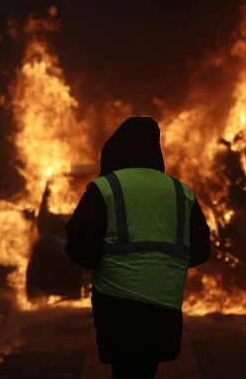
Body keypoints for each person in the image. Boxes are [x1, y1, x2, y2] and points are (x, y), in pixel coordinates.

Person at [65, 116, 211, 379]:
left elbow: (78, 245)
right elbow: (201, 250)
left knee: (125, 371)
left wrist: (107, 265)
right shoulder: (181, 191)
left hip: (117, 303)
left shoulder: (105, 188)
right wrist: (163, 265)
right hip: (165, 304)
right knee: (147, 370)